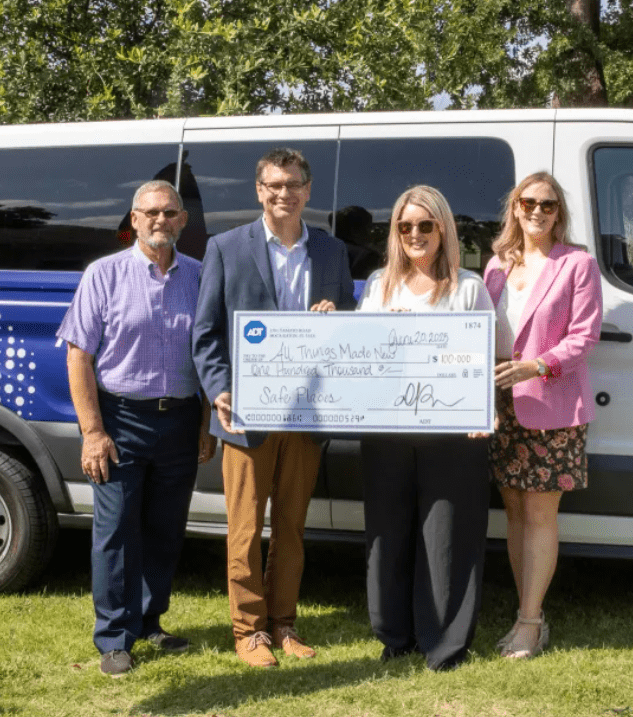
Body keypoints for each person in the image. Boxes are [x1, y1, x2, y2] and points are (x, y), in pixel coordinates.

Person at [192, 148, 356, 668]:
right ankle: (248, 631)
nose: (283, 193)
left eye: (293, 184)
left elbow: (352, 334)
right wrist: (219, 389)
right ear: (259, 191)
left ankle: (283, 624)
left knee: (291, 528)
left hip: (308, 417)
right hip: (248, 416)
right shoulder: (225, 247)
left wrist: (337, 318)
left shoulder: (331, 252)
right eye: (273, 185)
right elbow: (206, 334)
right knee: (244, 531)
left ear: (308, 190)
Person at [57, 179, 216, 677]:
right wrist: (92, 431)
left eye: (170, 213)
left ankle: (150, 621)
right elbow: (78, 355)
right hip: (120, 419)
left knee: (165, 529)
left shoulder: (200, 275)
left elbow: (211, 355)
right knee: (116, 531)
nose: (160, 221)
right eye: (150, 213)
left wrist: (205, 423)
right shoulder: (103, 275)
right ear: (134, 218)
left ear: (183, 220)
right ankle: (113, 637)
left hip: (181, 419)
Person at [356, 185, 494, 671]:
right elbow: (357, 357)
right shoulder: (378, 286)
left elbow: (482, 361)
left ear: (443, 229)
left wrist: (483, 411)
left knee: (447, 542)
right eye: (404, 226)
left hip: (452, 439)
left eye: (425, 225)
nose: (415, 234)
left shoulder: (468, 287)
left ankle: (445, 643)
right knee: (387, 537)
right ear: (395, 233)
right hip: (387, 436)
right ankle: (395, 637)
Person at [483, 172, 602, 659]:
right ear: (514, 208)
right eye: (528, 202)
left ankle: (530, 623)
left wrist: (538, 364)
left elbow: (585, 336)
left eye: (547, 205)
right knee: (513, 514)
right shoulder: (496, 266)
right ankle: (527, 611)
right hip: (501, 407)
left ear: (558, 213)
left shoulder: (577, 263)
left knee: (538, 516)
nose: (537, 211)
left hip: (551, 408)